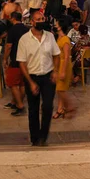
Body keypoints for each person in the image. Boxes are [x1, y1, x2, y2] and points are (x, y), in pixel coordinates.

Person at [16, 11, 60, 146]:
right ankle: (34, 138)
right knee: (33, 109)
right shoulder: (24, 39)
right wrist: (30, 82)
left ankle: (43, 136)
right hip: (32, 77)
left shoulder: (50, 37)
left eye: (43, 18)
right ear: (32, 22)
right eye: (38, 19)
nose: (41, 21)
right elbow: (22, 62)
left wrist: (55, 71)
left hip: (47, 76)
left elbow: (56, 55)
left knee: (47, 106)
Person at [3, 12, 30, 116]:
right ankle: (15, 102)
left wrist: (5, 59)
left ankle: (20, 105)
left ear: (12, 18)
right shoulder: (27, 29)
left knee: (12, 83)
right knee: (22, 83)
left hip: (15, 60)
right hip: (26, 60)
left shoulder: (12, 30)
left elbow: (9, 46)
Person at [53, 20, 74, 119]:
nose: (55, 25)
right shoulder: (59, 38)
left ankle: (69, 106)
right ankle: (60, 109)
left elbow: (66, 57)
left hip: (64, 65)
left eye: (56, 24)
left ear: (60, 27)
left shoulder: (65, 39)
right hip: (58, 64)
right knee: (59, 89)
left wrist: (63, 71)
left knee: (60, 89)